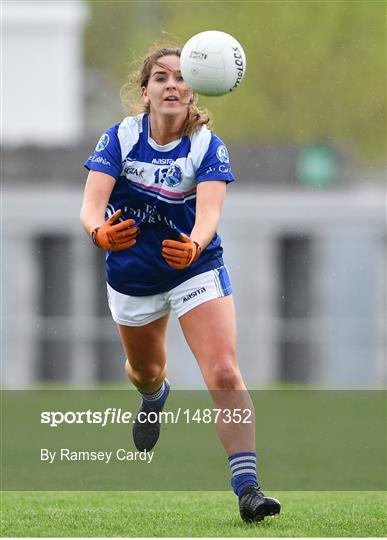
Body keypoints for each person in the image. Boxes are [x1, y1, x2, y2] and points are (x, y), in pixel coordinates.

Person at [80, 46, 280, 523]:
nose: (171, 85)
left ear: (195, 90)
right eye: (160, 78)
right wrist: (98, 233)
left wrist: (193, 244)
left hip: (194, 267)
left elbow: (209, 214)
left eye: (180, 78)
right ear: (144, 90)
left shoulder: (208, 144)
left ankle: (248, 488)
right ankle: (154, 396)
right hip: (133, 276)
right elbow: (91, 206)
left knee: (225, 373)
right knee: (144, 370)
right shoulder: (121, 138)